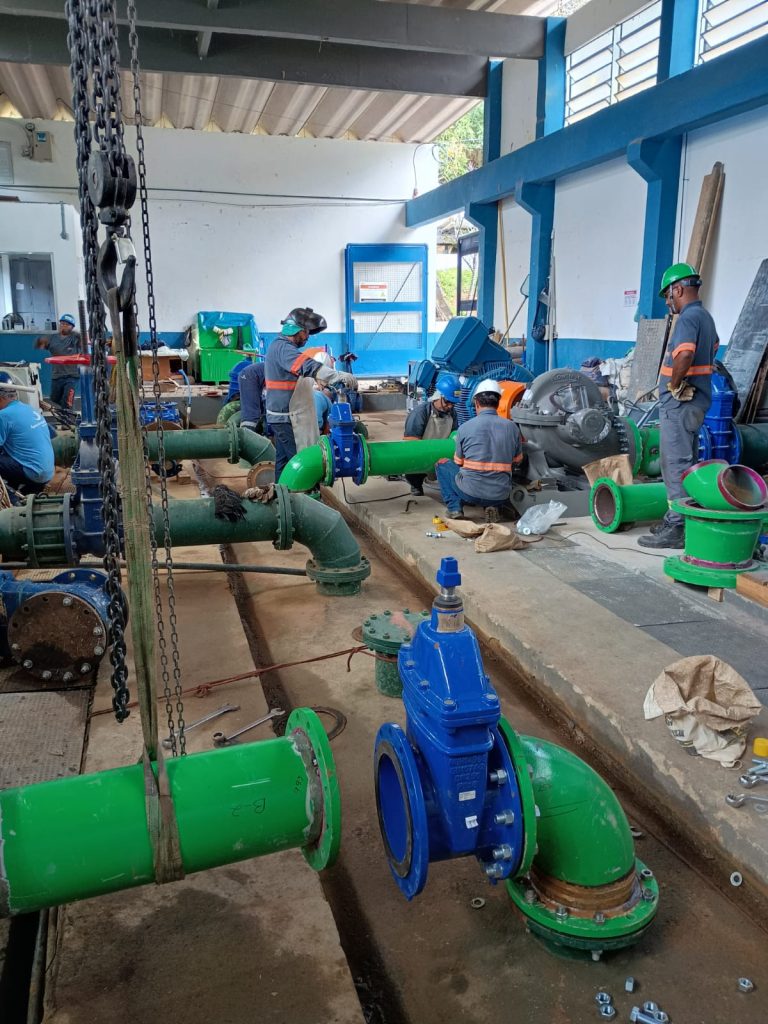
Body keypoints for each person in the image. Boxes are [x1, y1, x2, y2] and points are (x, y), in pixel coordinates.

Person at [638, 263, 719, 550]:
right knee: (687, 461)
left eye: (668, 295)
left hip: (680, 403)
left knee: (675, 464)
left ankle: (677, 526)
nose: (667, 301)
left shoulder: (688, 318)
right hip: (696, 401)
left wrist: (675, 384)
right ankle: (680, 519)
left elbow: (684, 355)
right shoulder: (705, 317)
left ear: (679, 289)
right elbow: (714, 347)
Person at [265, 307, 357, 479]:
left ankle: (281, 492)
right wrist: (336, 376)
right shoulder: (283, 348)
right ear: (296, 329)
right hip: (285, 417)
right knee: (301, 464)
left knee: (284, 463)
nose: (307, 336)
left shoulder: (280, 346)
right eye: (306, 332)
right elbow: (307, 366)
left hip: (282, 416)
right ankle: (304, 494)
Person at [435, 379, 522, 522]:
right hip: (501, 494)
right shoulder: (512, 427)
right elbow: (518, 460)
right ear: (498, 403)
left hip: (470, 493)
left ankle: (454, 508)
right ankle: (493, 506)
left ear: (476, 403)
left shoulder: (465, 428)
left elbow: (458, 462)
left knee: (442, 464)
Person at [403, 374, 460, 496]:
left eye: (453, 403)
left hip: (442, 453)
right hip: (421, 453)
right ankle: (415, 483)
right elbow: (410, 442)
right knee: (414, 464)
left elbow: (454, 435)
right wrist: (428, 456)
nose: (450, 406)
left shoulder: (452, 413)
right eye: (447, 402)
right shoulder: (420, 413)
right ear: (438, 396)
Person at [0, 379, 55, 493]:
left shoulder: (3, 415)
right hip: (47, 472)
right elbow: (52, 434)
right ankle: (17, 490)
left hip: (33, 473)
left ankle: (11, 498)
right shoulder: (29, 408)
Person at [35, 313, 84, 409]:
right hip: (57, 376)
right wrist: (40, 342)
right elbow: (39, 345)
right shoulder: (52, 338)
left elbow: (84, 341)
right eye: (62, 323)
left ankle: (69, 417)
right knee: (54, 400)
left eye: (67, 324)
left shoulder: (75, 337)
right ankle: (63, 415)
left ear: (72, 327)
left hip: (71, 376)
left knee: (67, 402)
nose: (64, 326)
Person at [238, 358, 267, 432]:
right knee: (251, 412)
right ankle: (247, 434)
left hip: (253, 376)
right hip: (249, 376)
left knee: (260, 408)